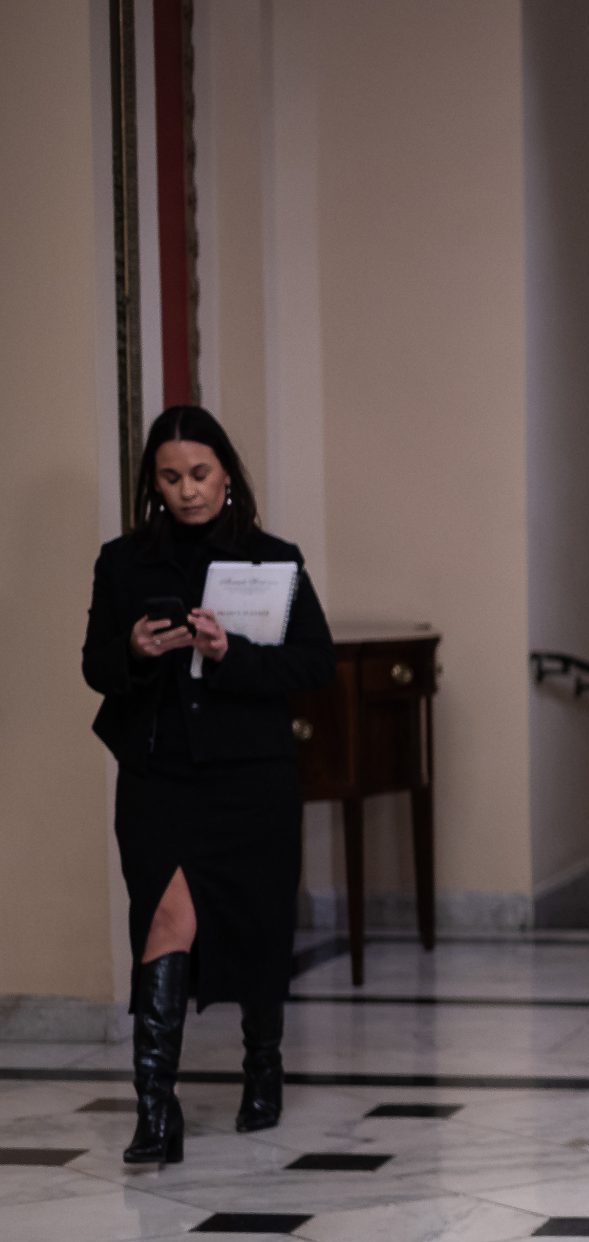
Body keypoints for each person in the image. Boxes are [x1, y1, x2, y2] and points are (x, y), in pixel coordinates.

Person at [82, 405, 335, 1165]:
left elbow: (315, 664)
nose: (187, 490)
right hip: (159, 774)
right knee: (163, 920)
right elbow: (95, 665)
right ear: (153, 484)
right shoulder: (122, 563)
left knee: (256, 920)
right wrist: (134, 648)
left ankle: (264, 1066)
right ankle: (155, 1112)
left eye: (199, 473)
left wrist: (233, 655)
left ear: (226, 474)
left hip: (250, 776)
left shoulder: (273, 559)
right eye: (171, 477)